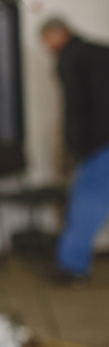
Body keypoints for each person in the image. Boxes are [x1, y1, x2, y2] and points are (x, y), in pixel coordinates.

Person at [41, 17, 109, 283]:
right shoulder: (100, 51)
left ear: (57, 35)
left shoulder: (70, 59)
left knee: (86, 202)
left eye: (46, 41)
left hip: (98, 144)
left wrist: (75, 145)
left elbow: (76, 107)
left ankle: (72, 267)